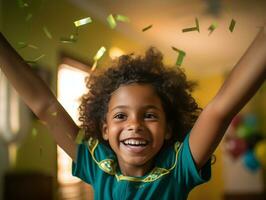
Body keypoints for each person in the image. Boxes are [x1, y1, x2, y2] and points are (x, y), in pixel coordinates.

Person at [0, 23, 265, 199]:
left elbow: (220, 109)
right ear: (104, 129)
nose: (134, 124)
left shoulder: (179, 166)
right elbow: (46, 107)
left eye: (149, 115)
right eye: (120, 116)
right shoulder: (95, 163)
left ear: (168, 127)